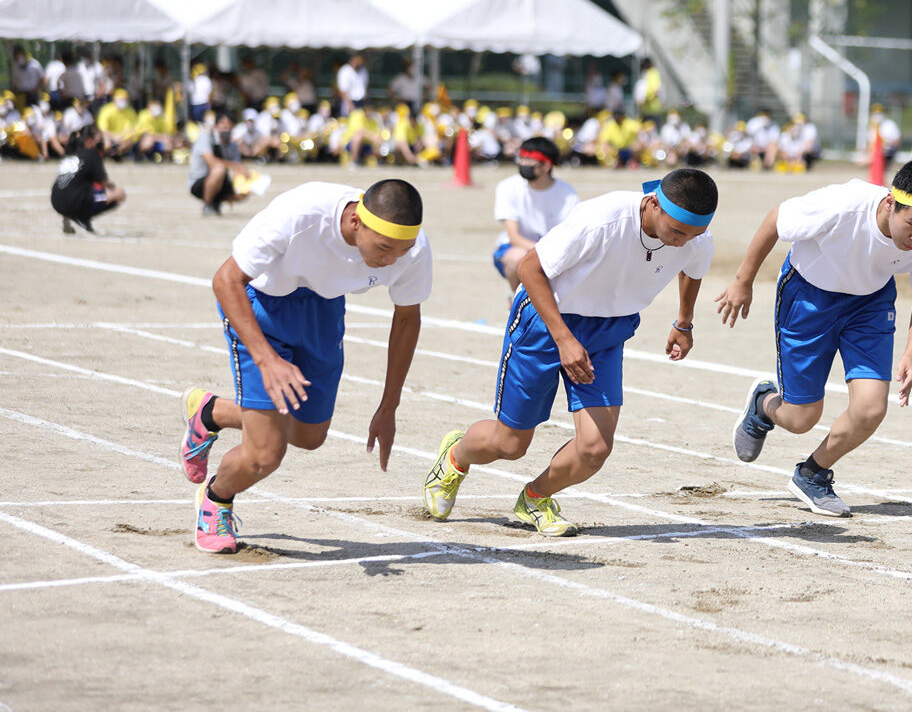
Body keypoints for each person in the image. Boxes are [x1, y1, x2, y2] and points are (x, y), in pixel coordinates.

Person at [422, 170, 716, 535]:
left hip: (607, 330)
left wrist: (683, 322)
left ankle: (535, 498)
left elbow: (693, 267)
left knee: (594, 449)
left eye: (694, 235)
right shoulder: (602, 219)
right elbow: (530, 267)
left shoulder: (694, 238)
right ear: (653, 203)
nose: (683, 242)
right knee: (510, 444)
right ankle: (455, 456)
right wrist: (563, 339)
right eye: (677, 232)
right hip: (546, 321)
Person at [180, 180, 431, 553]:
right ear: (355, 221)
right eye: (383, 248)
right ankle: (217, 500)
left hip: (323, 310)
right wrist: (267, 361)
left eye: (403, 250)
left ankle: (211, 413)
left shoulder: (411, 249)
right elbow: (226, 280)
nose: (392, 260)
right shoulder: (300, 216)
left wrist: (388, 405)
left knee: (309, 437)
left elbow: (407, 320)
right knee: (265, 455)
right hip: (261, 307)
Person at [721, 156, 912, 517]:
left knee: (871, 408)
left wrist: (910, 355)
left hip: (870, 305)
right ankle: (763, 403)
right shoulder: (842, 205)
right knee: (801, 419)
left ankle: (812, 474)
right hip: (809, 297)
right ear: (891, 203)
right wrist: (743, 280)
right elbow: (775, 220)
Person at [492, 136, 580, 294]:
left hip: (553, 250)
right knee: (518, 258)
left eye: (528, 161)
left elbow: (570, 234)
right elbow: (514, 237)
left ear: (546, 165)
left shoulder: (567, 193)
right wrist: (545, 252)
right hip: (514, 249)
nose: (522, 164)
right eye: (521, 159)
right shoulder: (508, 187)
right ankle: (515, 297)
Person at [51, 125, 125, 234]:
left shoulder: (71, 152)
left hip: (56, 201)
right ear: (89, 140)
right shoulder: (92, 154)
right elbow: (103, 182)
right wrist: (112, 187)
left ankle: (75, 215)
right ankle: (81, 218)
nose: (101, 144)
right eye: (99, 141)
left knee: (86, 189)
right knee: (119, 193)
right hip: (73, 201)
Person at [190, 111, 253, 216]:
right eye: (223, 125)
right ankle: (208, 205)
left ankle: (217, 201)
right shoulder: (205, 138)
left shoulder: (233, 145)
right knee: (219, 169)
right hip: (201, 181)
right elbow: (211, 161)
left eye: (229, 126)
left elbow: (236, 170)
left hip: (222, 181)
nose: (226, 129)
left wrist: (244, 178)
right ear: (216, 126)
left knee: (245, 189)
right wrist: (237, 166)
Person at [335, 53, 369, 118]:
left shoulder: (363, 71)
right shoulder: (345, 71)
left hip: (361, 102)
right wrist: (351, 108)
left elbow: (365, 89)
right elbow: (343, 92)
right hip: (349, 102)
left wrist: (366, 106)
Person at [634, 58, 664, 125]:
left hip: (653, 110)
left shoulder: (653, 73)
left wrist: (647, 99)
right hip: (647, 110)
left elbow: (656, 90)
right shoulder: (647, 74)